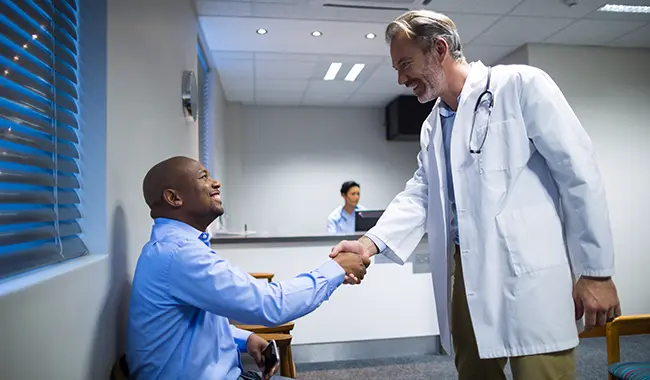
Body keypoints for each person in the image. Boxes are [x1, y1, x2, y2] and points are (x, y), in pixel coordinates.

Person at [329, 9, 621, 380]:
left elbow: (579, 175)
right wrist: (370, 243)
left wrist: (596, 273)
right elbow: (421, 192)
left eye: (406, 64)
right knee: (473, 373)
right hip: (466, 271)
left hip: (528, 272)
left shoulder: (520, 85)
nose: (401, 78)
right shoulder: (434, 124)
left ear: (438, 49)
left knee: (541, 372)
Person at [126, 156, 369, 380]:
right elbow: (270, 304)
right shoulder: (179, 253)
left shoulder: (176, 248)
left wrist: (246, 339)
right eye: (204, 177)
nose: (216, 183)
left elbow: (194, 327)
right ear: (174, 198)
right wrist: (337, 267)